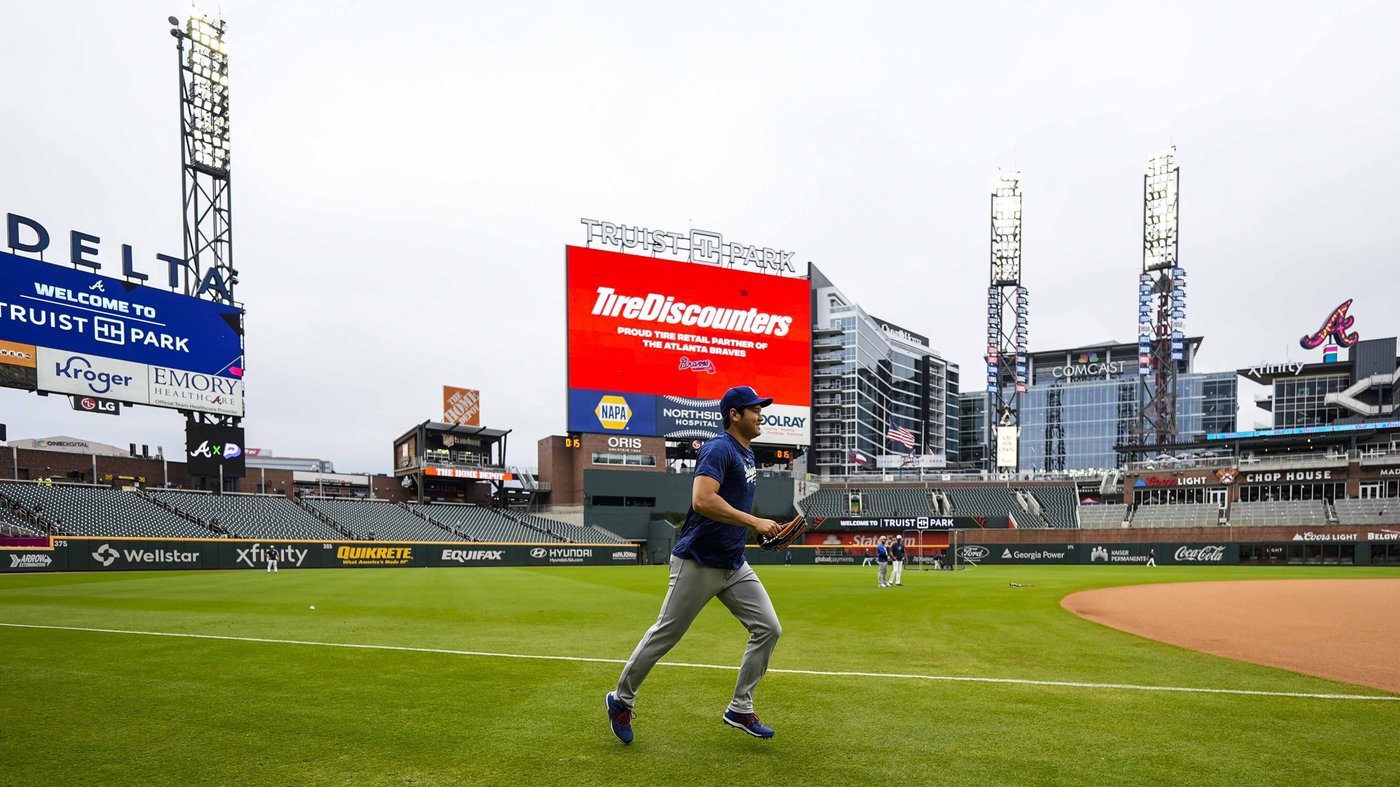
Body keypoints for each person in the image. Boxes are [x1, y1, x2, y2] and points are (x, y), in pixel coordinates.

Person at [607, 386, 783, 744]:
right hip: (698, 561)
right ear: (735, 415)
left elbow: (728, 510)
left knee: (768, 628)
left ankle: (739, 707)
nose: (760, 414)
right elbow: (702, 500)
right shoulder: (720, 449)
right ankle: (620, 700)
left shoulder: (747, 455)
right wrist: (754, 522)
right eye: (754, 409)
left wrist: (762, 533)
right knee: (665, 635)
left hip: (733, 564)